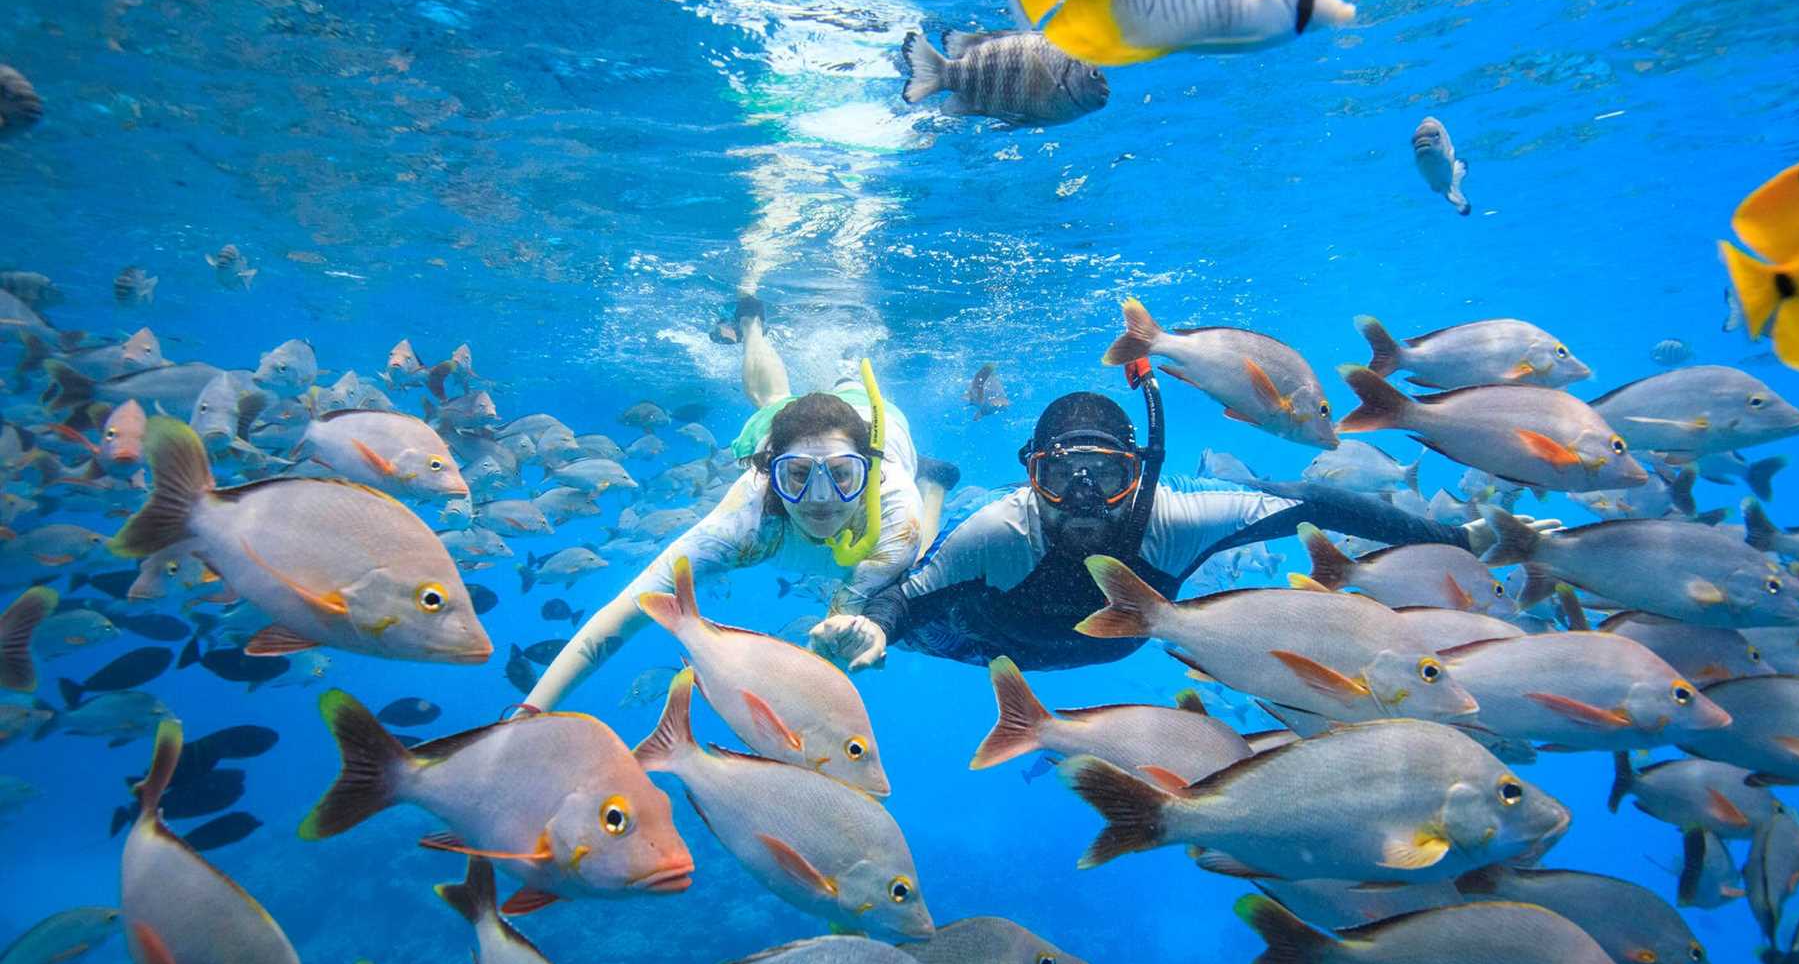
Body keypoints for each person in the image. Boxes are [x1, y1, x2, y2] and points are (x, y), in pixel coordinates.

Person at [812, 370, 1555, 673]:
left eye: (1106, 477)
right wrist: (876, 625)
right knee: (869, 580)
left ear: (1141, 475)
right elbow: (907, 601)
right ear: (1031, 476)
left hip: (1093, 645)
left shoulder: (1178, 516)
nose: (1079, 500)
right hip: (981, 638)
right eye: (1058, 478)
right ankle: (928, 490)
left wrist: (1467, 539)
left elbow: (1319, 500)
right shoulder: (1003, 531)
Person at [523, 297, 952, 712]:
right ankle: (751, 324)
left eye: (842, 476)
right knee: (772, 403)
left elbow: (837, 634)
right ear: (770, 471)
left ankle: (931, 483)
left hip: (886, 427)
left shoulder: (895, 512)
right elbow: (628, 610)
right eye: (798, 475)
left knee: (919, 565)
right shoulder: (748, 513)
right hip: (796, 431)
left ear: (869, 473)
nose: (820, 500)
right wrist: (530, 712)